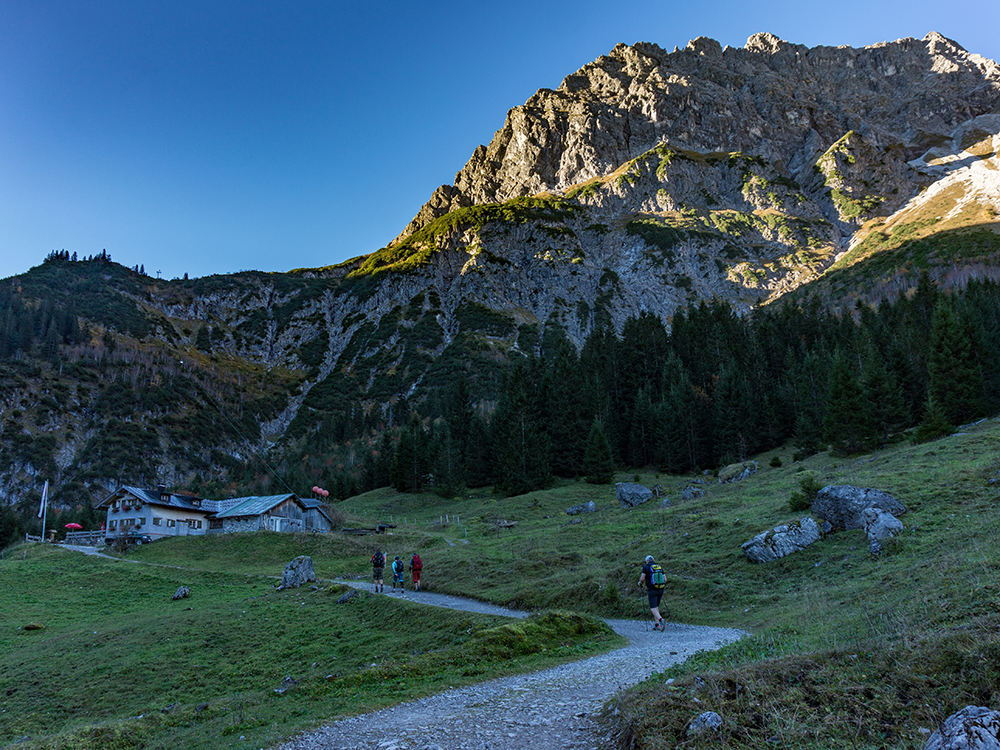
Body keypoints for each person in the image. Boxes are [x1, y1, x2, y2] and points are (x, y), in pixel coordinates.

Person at [638, 554, 666, 631]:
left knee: (653, 608)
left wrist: (640, 583)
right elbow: (665, 579)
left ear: (647, 561)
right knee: (656, 606)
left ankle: (661, 620)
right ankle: (657, 625)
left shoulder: (646, 567)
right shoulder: (659, 567)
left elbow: (642, 578)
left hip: (652, 589)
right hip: (660, 589)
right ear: (653, 560)